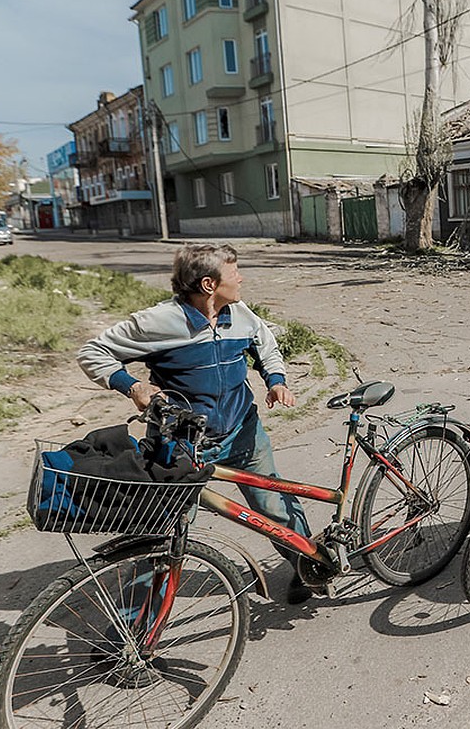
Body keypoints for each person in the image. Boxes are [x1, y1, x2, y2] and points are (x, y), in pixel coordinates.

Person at [77, 243, 313, 604]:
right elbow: (93, 351)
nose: (241, 278)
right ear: (209, 285)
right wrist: (133, 386)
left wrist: (276, 380)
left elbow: (265, 344)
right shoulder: (158, 322)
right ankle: (135, 629)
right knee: (159, 531)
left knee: (274, 509)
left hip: (243, 435)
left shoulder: (241, 313)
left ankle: (308, 567)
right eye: (234, 273)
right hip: (181, 445)